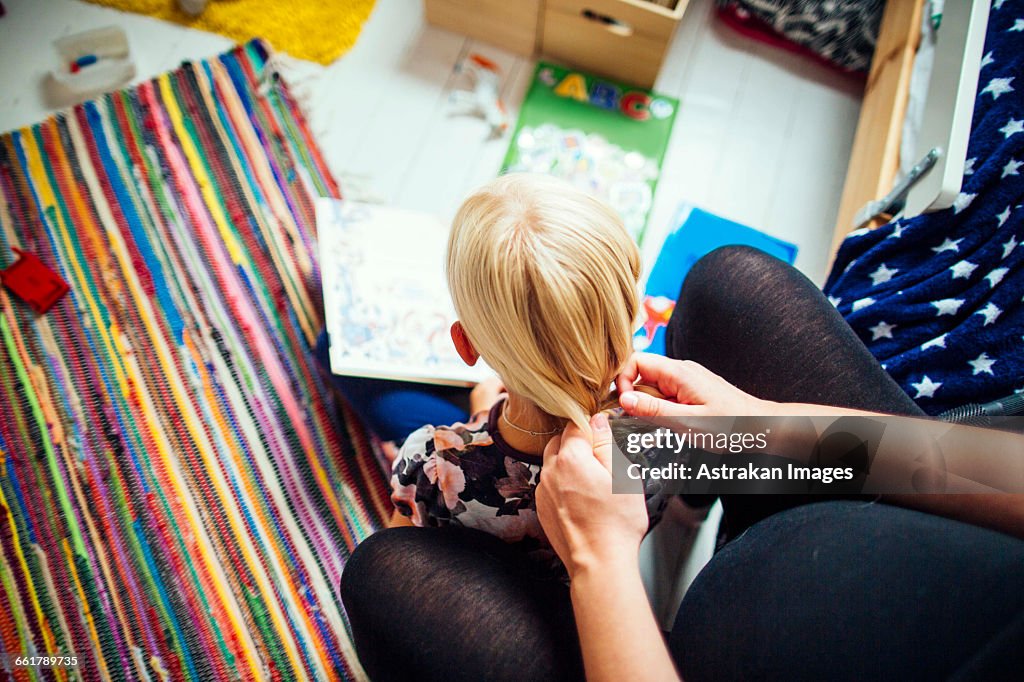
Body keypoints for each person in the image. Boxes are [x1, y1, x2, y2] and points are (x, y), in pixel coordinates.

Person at [341, 246, 1024, 680]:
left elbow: (419, 487)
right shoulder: (652, 446)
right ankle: (682, 536)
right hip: (840, 507)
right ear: (636, 314)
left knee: (387, 570)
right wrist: (766, 432)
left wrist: (602, 566)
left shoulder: (436, 462)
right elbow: (992, 470)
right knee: (732, 283)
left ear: (468, 342)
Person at [384, 172, 652, 544]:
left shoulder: (431, 462)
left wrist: (477, 422)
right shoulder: (676, 426)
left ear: (466, 344)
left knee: (335, 355)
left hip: (485, 592)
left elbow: (391, 555)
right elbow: (753, 453)